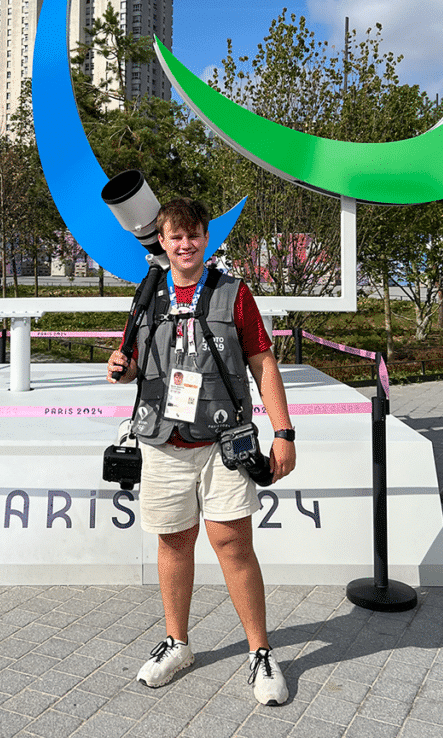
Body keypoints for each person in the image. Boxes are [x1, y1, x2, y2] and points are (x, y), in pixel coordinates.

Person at [106, 198, 296, 706]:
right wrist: (121, 368)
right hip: (163, 441)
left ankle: (260, 652)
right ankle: (178, 643)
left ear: (206, 240)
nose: (185, 244)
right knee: (173, 543)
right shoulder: (147, 295)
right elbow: (135, 365)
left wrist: (283, 431)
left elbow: (263, 362)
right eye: (175, 236)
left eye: (194, 235)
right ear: (162, 242)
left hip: (224, 443)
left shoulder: (234, 293)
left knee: (233, 544)